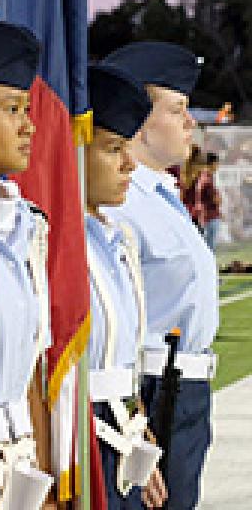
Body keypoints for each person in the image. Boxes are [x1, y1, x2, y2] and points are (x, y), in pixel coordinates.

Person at [102, 41, 217, 510]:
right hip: (153, 390)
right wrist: (132, 419)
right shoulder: (124, 203)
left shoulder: (160, 195)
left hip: (181, 388)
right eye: (178, 109)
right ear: (142, 120)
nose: (191, 123)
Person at [0, 18, 52, 509]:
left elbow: (30, 375)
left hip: (16, 461)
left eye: (28, 108)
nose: (29, 125)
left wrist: (39, 474)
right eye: (12, 108)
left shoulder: (26, 224)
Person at [86, 64, 166, 510]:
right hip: (76, 438)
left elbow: (123, 357)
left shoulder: (120, 240)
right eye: (113, 148)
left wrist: (138, 427)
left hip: (123, 431)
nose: (129, 163)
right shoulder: (49, 245)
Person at [198, 152, 222, 252]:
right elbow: (215, 200)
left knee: (207, 246)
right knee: (209, 248)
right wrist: (218, 199)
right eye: (217, 164)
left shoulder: (205, 178)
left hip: (206, 216)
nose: (218, 166)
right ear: (212, 164)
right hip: (210, 217)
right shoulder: (207, 179)